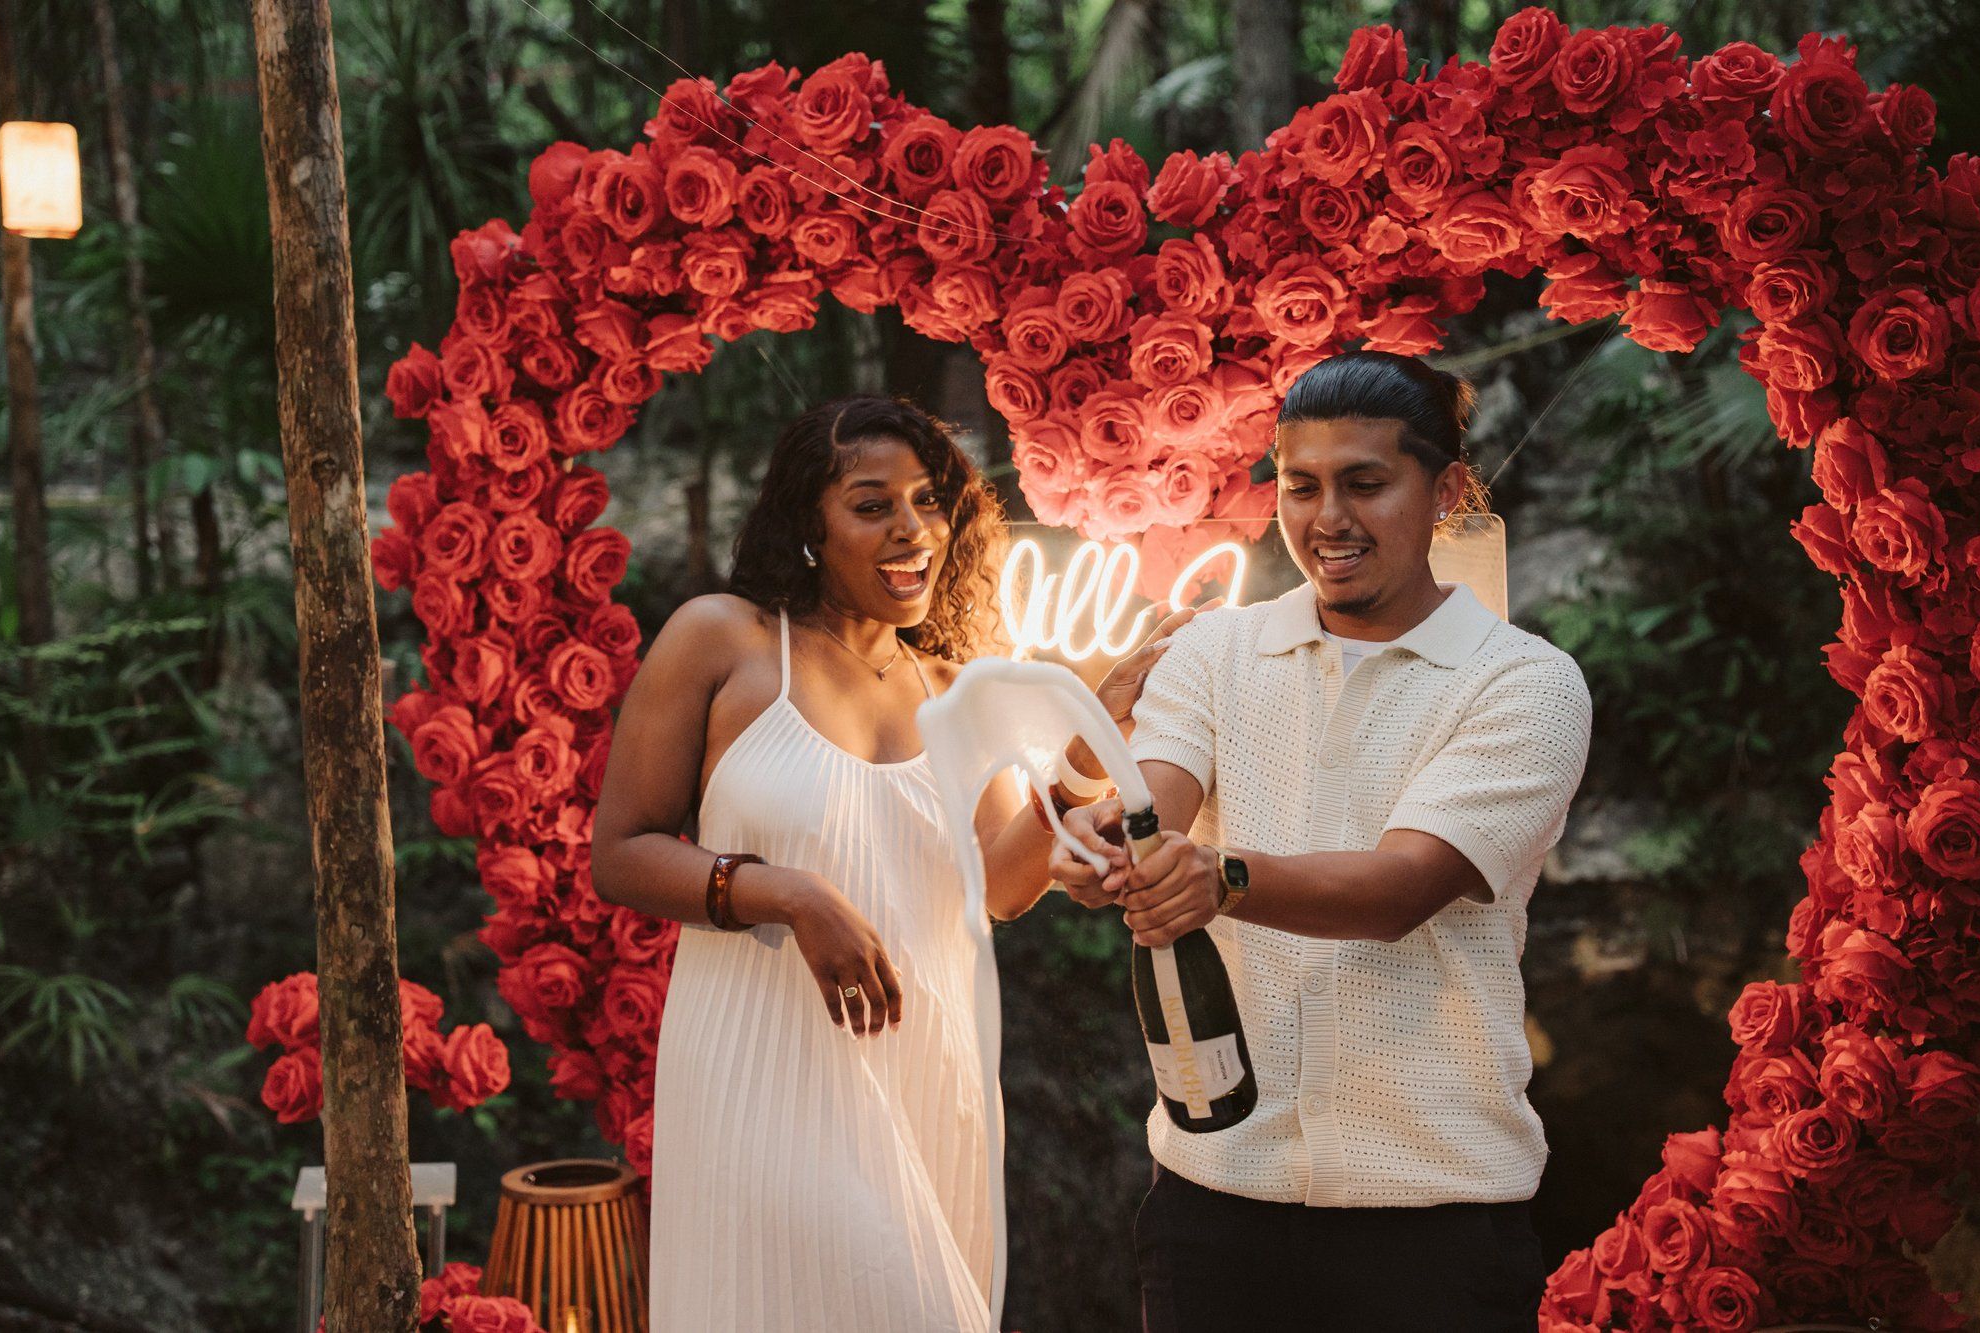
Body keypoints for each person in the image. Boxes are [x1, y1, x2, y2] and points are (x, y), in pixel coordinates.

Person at [590, 395, 1190, 1332]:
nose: (912, 530)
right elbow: (622, 853)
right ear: (807, 525)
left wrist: (1086, 738)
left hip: (925, 1071)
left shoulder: (956, 686)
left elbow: (998, 884)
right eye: (872, 505)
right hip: (763, 1069)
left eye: (928, 500)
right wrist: (786, 893)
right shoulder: (724, 639)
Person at [1050, 351, 1594, 1332]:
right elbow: (1153, 797)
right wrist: (1103, 839)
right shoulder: (1211, 651)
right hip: (1210, 1202)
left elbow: (1397, 888)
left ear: (1447, 490)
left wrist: (1214, 879)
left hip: (1433, 1214)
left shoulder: (1522, 683)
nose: (1326, 518)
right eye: (1299, 487)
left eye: (1364, 483)